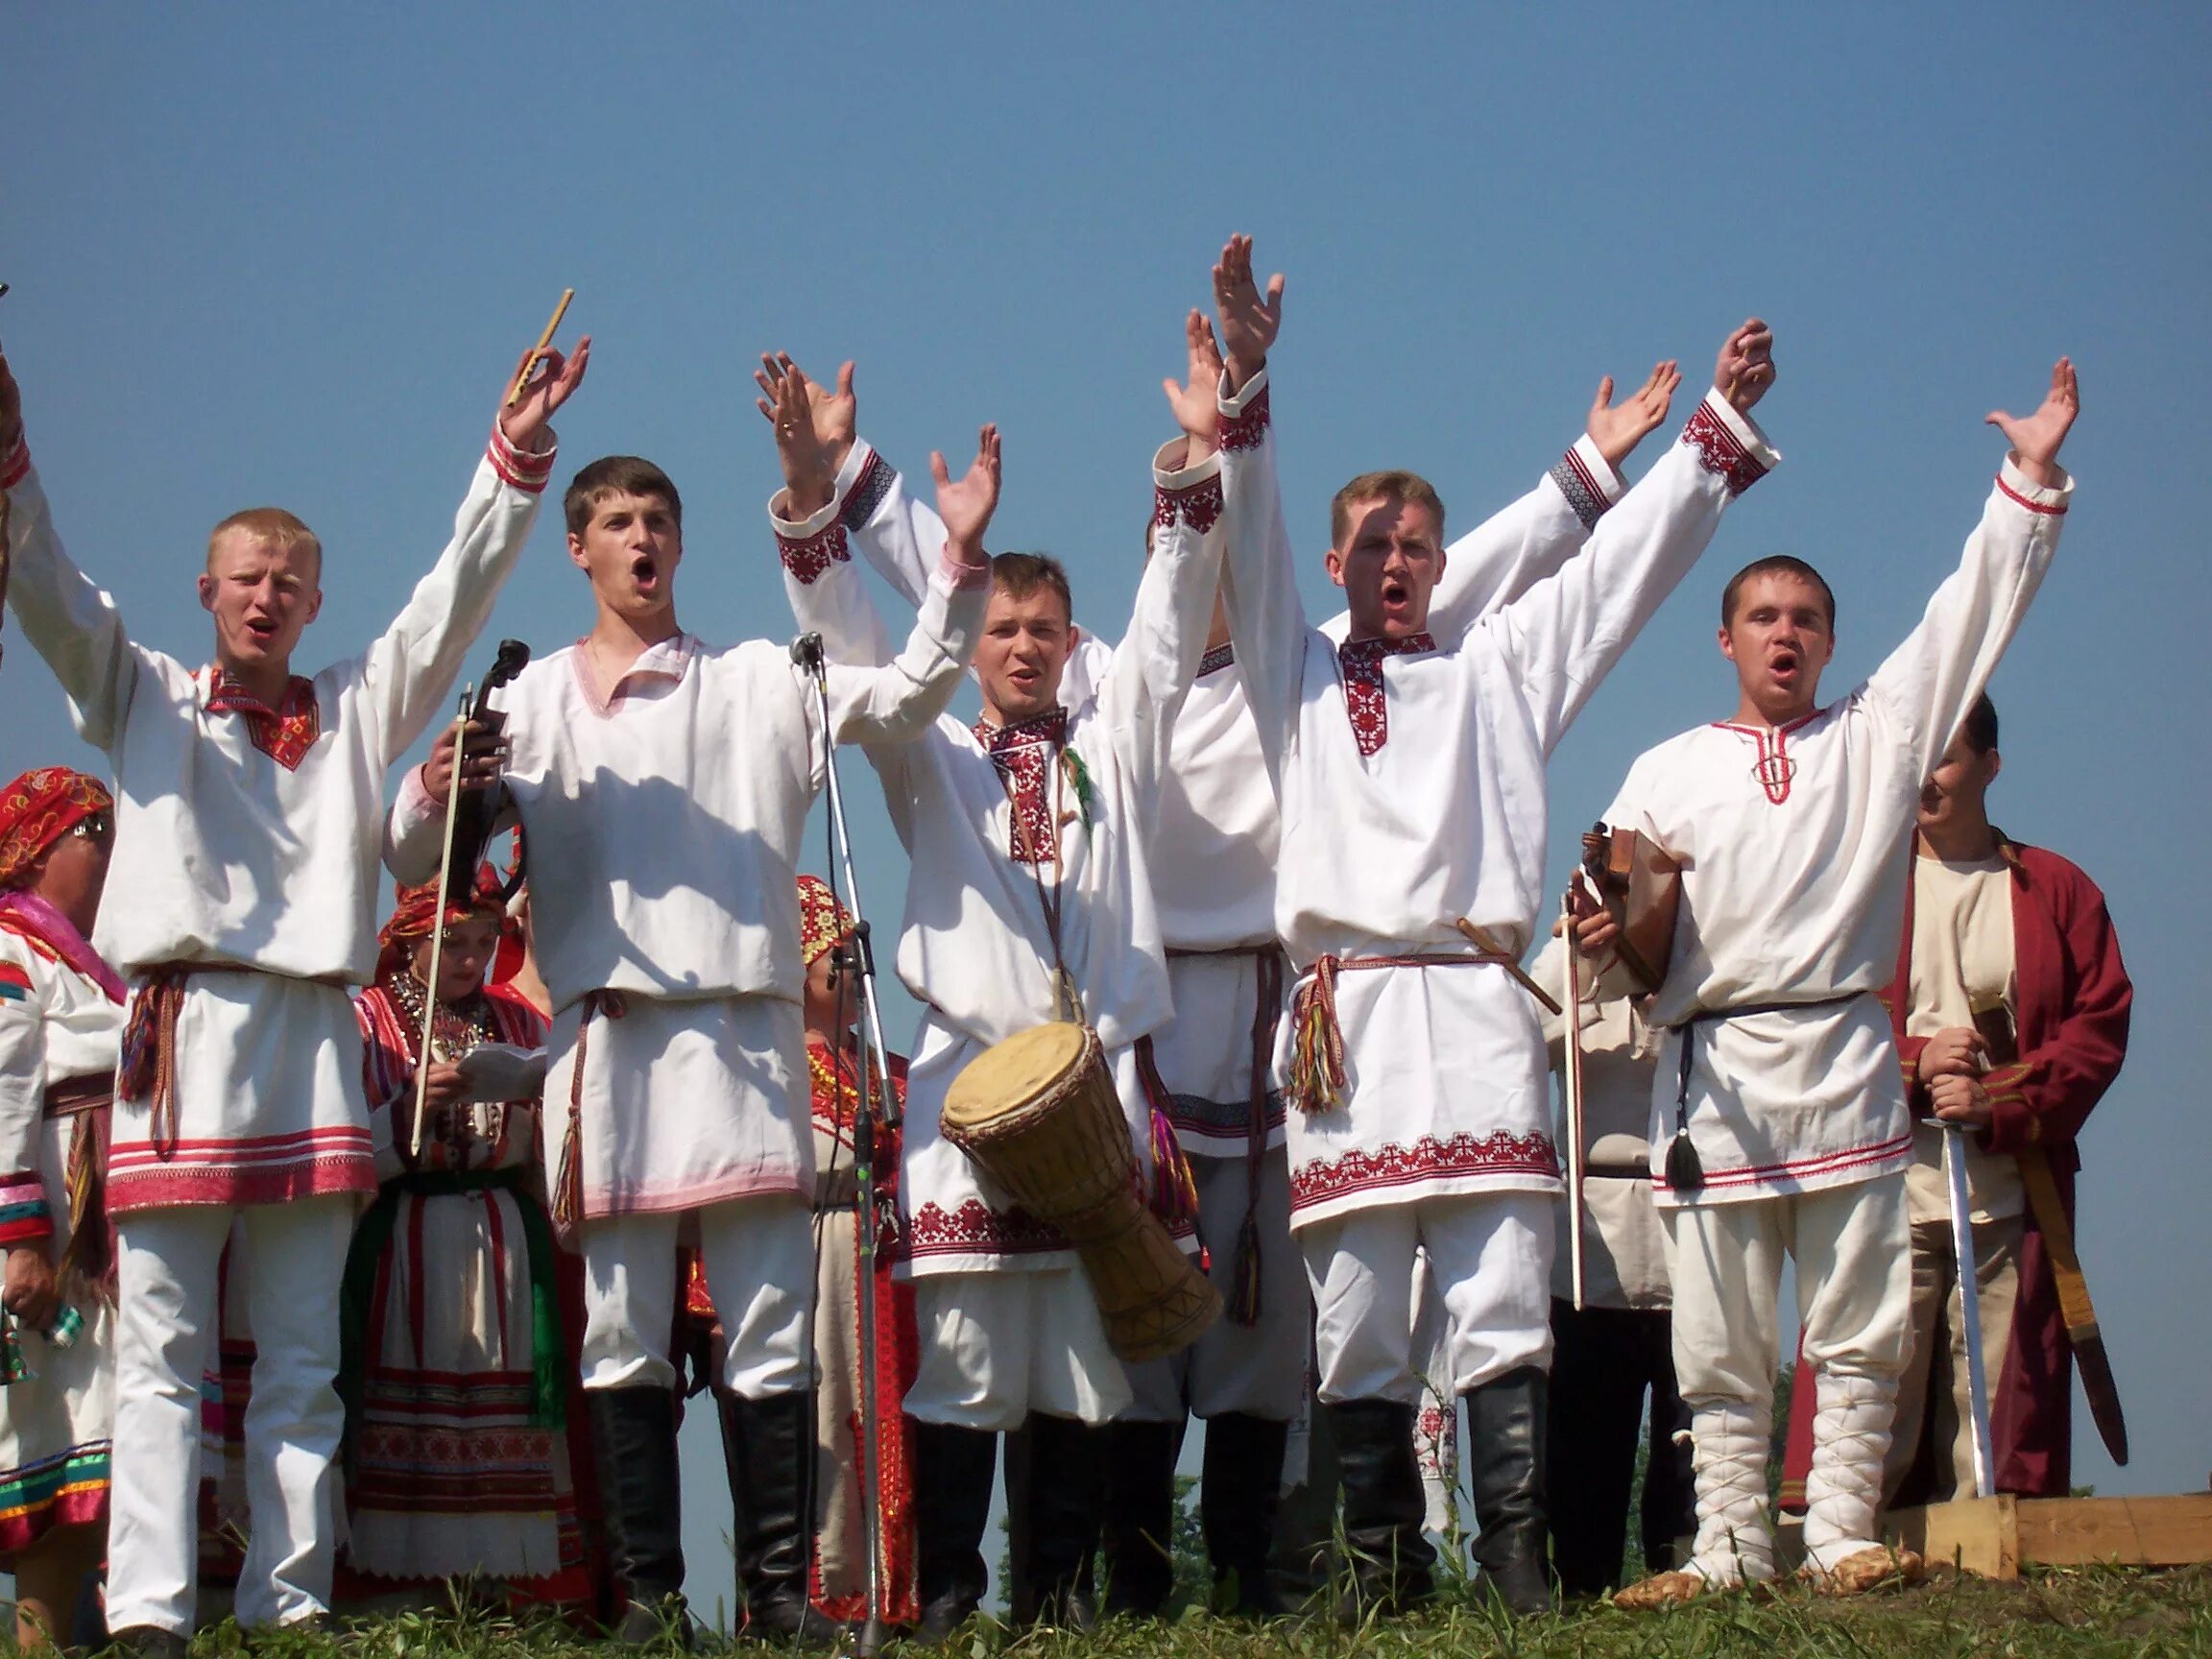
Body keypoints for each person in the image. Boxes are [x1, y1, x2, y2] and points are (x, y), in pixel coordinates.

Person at [1211, 232, 1778, 1619]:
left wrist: (1714, 434)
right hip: (1344, 1017)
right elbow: (1254, 525)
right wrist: (1246, 382)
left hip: (1467, 1007)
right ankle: (1381, 1567)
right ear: (1339, 563)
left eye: (1417, 545)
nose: (1395, 563)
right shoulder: (1288, 677)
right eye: (1373, 546)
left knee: (1502, 1289)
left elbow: (1618, 577)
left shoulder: (1499, 669)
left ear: (1442, 563)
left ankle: (1515, 1561)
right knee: (1351, 1311)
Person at [0, 327, 587, 1653]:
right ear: (206, 588)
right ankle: (149, 1617)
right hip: (184, 1036)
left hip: (312, 1036)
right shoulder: (139, 692)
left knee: (302, 1356)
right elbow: (46, 587)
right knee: (156, 1349)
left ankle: (287, 1605)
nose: (269, 599)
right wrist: (8, 454)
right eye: (250, 579)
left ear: (316, 604)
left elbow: (453, 596)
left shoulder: (360, 706)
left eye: (294, 583)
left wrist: (517, 454)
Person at [387, 422, 999, 1644]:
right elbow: (417, 860)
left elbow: (915, 695)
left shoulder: (763, 680)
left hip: (744, 1037)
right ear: (578, 549)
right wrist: (441, 782)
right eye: (617, 523)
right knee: (622, 1329)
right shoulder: (529, 695)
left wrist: (960, 563)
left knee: (771, 1327)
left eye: (659, 521)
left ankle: (778, 1603)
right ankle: (653, 1604)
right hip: (608, 1044)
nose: (643, 539)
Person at [1584, 364, 2080, 1605]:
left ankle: (1845, 1530)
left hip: (1852, 1061)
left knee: (1858, 1320)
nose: (1786, 634)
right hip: (1717, 1076)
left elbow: (1973, 614)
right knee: (1719, 1336)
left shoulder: (1879, 733)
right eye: (1763, 617)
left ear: (1832, 641)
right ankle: (1728, 1549)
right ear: (1727, 639)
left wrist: (2024, 479)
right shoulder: (1665, 767)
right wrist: (1603, 918)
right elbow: (1608, 909)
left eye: (1806, 618)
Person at [762, 318, 1226, 1637]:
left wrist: (1193, 460)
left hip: (1100, 1092)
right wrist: (813, 491)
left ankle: (1063, 1599)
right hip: (968, 1090)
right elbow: (851, 647)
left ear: (1073, 644)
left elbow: (1173, 607)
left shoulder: (1117, 747)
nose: (1025, 646)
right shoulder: (937, 760)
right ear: (970, 645)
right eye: (1002, 627)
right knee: (965, 1366)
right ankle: (957, 1599)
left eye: (1046, 629)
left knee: (1086, 1369)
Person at [1778, 691, 2130, 1508]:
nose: (1924, 778)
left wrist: (1999, 1099)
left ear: (1990, 766)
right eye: (1915, 758)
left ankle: (1990, 1558)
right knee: (1871, 1386)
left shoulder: (2057, 889)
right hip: (1884, 1182)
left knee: (1999, 1397)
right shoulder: (1856, 887)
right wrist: (1913, 1065)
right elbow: (1809, 1015)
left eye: (1944, 757)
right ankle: (1847, 1548)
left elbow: (2097, 1027)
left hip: (2010, 1190)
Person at [334, 866, 605, 1617]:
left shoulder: (517, 1023)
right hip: (407, 1236)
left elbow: (555, 1145)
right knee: (412, 1398)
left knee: (504, 1403)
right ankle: (402, 1596)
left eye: (485, 943)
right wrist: (406, 1112)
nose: (471, 960)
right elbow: (346, 1145)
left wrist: (541, 1109)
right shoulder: (370, 1020)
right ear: (412, 940)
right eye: (454, 944)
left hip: (503, 1240)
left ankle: (498, 1587)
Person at [1526, 933, 1693, 1597]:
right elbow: (1523, 1039)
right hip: (1593, 1221)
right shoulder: (1568, 955)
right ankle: (1581, 1581)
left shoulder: (1699, 944)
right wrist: (1590, 970)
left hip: (1691, 1211)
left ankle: (1683, 1567)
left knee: (1693, 1427)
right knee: (1588, 1435)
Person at [0, 768, 123, 1649]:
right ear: (40, 848)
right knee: (50, 1444)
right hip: (51, 1229)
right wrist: (23, 1242)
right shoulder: (10, 945)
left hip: (99, 1238)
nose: (109, 856)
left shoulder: (88, 960)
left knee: (97, 1443)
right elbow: (4, 1093)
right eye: (95, 836)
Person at [779, 874, 920, 1629]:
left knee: (900, 1422)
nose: (850, 976)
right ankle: (825, 1595)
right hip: (818, 1253)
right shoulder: (773, 1072)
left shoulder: (891, 1073)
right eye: (835, 959)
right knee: (826, 1420)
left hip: (890, 1268)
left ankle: (897, 1597)